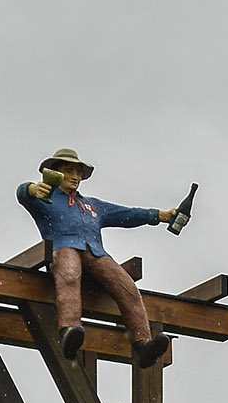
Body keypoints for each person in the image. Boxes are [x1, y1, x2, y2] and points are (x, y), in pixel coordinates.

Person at [17, 147, 178, 368]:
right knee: (70, 275)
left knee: (127, 287)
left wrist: (160, 215)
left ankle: (143, 344)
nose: (75, 177)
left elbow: (127, 214)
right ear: (55, 172)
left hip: (96, 252)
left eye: (78, 173)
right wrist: (32, 189)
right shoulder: (46, 198)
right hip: (64, 247)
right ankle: (70, 330)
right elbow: (21, 193)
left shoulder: (92, 205)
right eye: (68, 171)